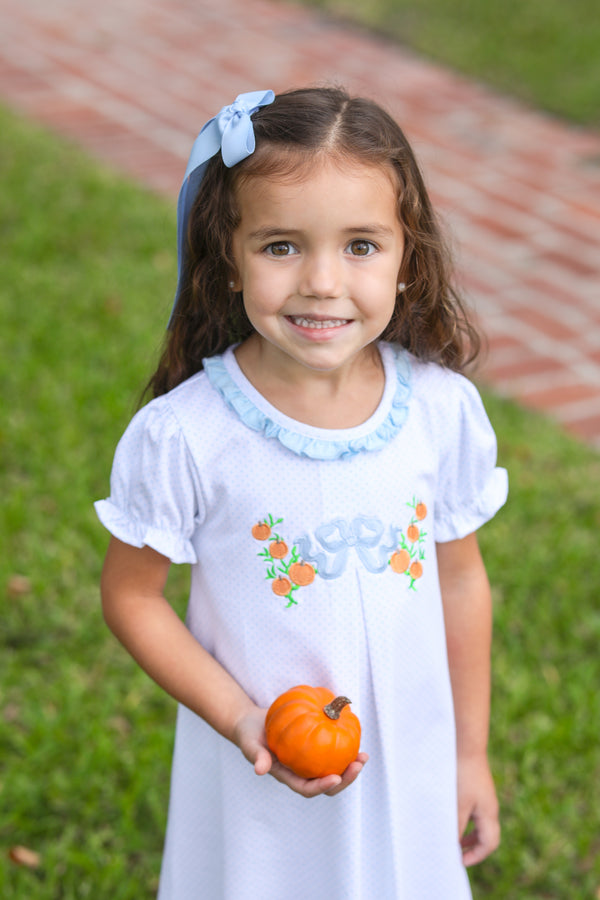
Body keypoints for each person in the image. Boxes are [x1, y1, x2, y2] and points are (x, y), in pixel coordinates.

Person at [95, 86, 508, 899]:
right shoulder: (189, 434)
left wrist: (467, 753)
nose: (322, 281)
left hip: (407, 761)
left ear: (407, 255)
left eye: (360, 246)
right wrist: (240, 716)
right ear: (229, 255)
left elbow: (460, 578)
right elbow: (132, 597)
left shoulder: (439, 410)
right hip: (258, 767)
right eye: (282, 246)